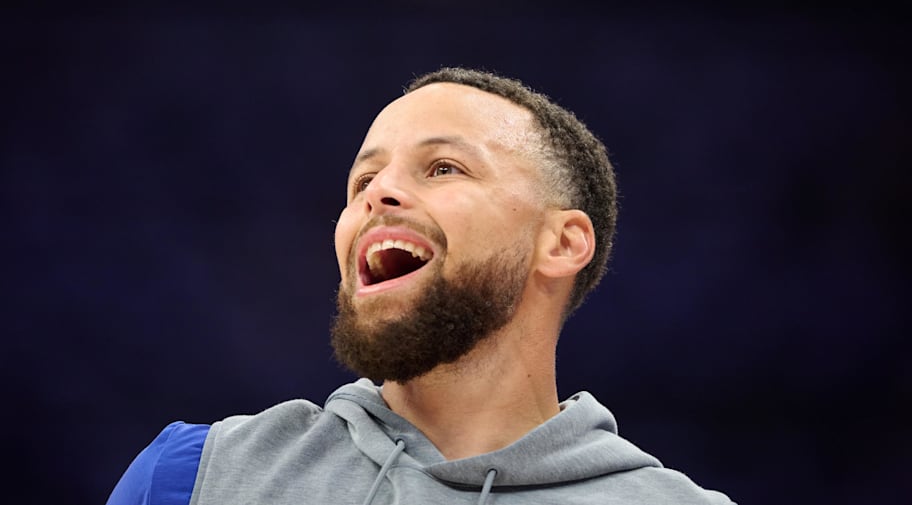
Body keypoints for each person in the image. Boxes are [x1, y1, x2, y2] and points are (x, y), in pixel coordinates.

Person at [106, 67, 735, 505]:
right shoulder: (193, 480)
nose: (377, 194)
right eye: (362, 182)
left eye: (443, 167)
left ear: (563, 243)